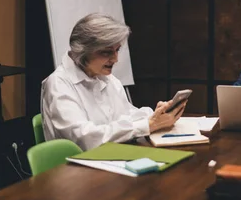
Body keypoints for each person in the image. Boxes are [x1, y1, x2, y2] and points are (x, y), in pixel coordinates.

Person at [41, 13, 186, 150]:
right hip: (78, 168)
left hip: (110, 158)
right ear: (83, 50)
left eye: (117, 50)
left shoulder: (105, 78)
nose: (115, 59)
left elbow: (126, 115)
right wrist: (148, 125)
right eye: (107, 52)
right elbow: (86, 139)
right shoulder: (58, 84)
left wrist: (155, 116)